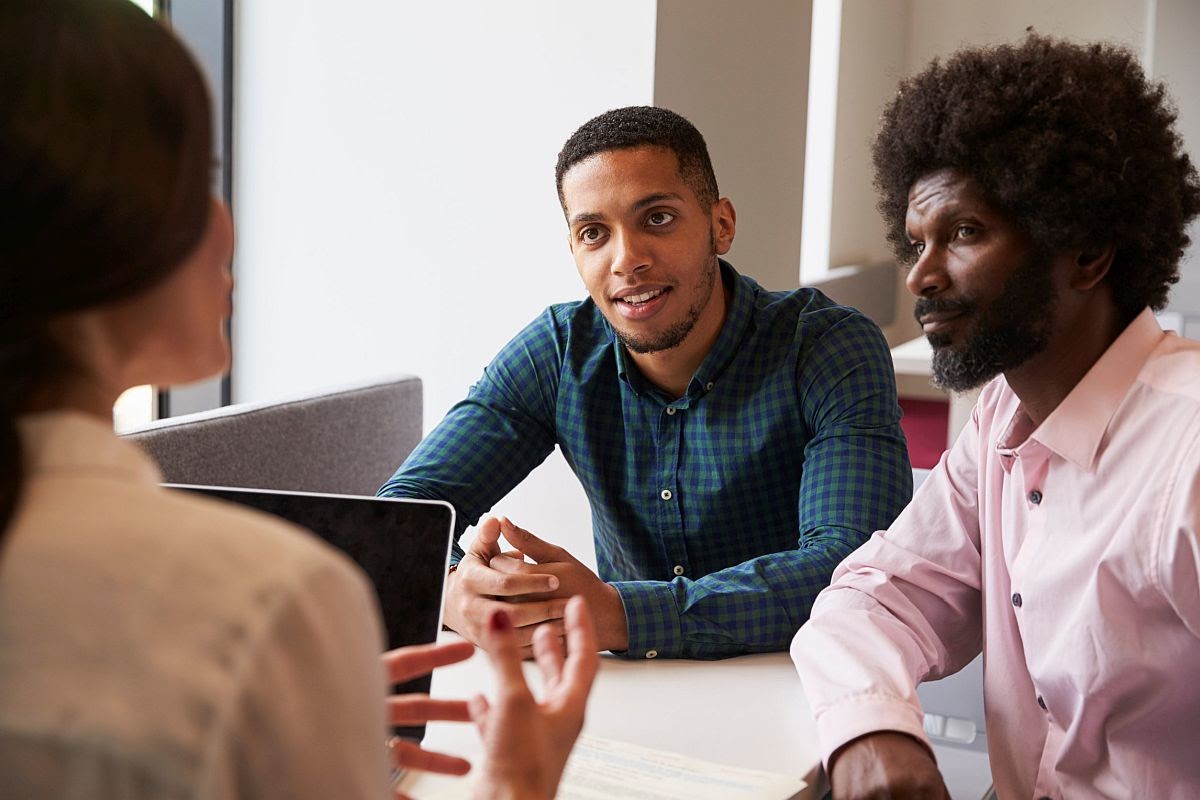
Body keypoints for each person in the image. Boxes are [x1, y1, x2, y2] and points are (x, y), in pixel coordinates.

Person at [0, 2, 594, 798]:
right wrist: (514, 784)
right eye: (198, 185)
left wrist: (290, 710)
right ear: (100, 232)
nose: (224, 220)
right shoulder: (258, 601)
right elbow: (414, 498)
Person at [791, 34, 1200, 799]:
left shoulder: (1188, 449)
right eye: (916, 242)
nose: (920, 274)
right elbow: (876, 595)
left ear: (1086, 252)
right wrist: (872, 728)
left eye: (965, 233)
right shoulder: (1002, 418)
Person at [380, 106, 912, 660]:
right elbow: (401, 515)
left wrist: (623, 614)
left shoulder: (828, 346)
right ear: (574, 251)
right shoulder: (557, 351)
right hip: (631, 698)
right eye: (594, 233)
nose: (626, 259)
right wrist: (452, 593)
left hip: (803, 684)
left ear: (721, 225)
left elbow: (853, 565)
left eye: (657, 218)